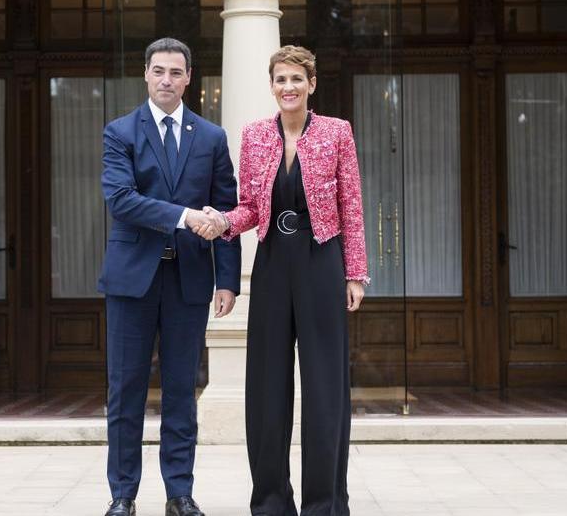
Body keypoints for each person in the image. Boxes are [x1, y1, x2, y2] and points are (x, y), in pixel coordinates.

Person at [217, 45, 369, 516]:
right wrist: (222, 222)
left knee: (325, 386)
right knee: (267, 385)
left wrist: (355, 273)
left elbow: (351, 205)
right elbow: (249, 208)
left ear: (311, 84)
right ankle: (270, 502)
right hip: (271, 262)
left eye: (296, 79)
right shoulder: (255, 135)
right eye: (281, 79)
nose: (289, 87)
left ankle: (325, 504)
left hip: (321, 259)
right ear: (271, 86)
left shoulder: (337, 132)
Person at [98, 37, 241, 516]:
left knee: (181, 391)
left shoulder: (212, 137)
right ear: (145, 74)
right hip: (131, 282)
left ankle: (180, 493)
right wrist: (184, 217)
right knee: (125, 391)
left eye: (176, 72)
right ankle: (122, 495)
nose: (166, 80)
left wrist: (227, 279)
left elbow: (224, 210)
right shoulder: (120, 132)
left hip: (189, 281)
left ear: (188, 78)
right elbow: (121, 200)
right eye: (158, 70)